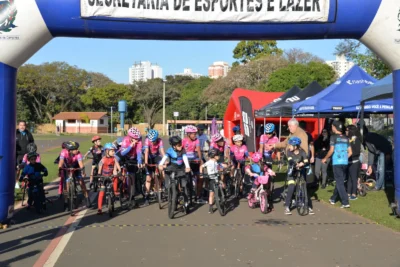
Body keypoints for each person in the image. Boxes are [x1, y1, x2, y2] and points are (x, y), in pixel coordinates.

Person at [322, 120, 352, 208]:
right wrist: (344, 157)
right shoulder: (346, 138)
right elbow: (350, 152)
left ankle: (345, 202)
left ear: (335, 127)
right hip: (345, 162)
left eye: (332, 126)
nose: (331, 128)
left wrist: (325, 158)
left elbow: (331, 150)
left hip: (337, 162)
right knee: (340, 181)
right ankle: (333, 198)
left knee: (339, 182)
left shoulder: (333, 137)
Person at [284, 137, 313, 215]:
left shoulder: (302, 152)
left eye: (290, 145)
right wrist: (295, 164)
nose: (289, 147)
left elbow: (306, 161)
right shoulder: (289, 152)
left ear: (296, 146)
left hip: (300, 169)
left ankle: (308, 206)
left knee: (304, 186)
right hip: (292, 171)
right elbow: (290, 161)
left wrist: (303, 163)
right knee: (292, 186)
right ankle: (287, 206)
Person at [159, 136, 191, 206]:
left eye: (181, 144)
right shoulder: (170, 150)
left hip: (181, 168)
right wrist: (160, 164)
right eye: (179, 145)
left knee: (184, 182)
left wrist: (187, 166)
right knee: (167, 174)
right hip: (172, 167)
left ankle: (184, 196)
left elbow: (185, 158)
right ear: (173, 146)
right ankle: (168, 189)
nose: (181, 146)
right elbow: (165, 157)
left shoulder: (182, 150)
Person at [58, 141, 91, 208]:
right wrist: (60, 170)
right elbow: (61, 162)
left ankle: (87, 198)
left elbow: (81, 164)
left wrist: (83, 172)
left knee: (81, 183)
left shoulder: (78, 154)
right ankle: (66, 201)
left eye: (77, 148)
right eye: (75, 149)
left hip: (76, 167)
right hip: (66, 167)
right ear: (70, 150)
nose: (77, 150)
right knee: (66, 186)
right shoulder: (63, 152)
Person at [362, 125, 393, 191]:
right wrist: (370, 165)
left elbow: (383, 144)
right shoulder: (366, 140)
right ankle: (382, 186)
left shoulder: (371, 137)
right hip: (378, 152)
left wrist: (387, 153)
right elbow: (371, 152)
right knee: (378, 170)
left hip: (383, 151)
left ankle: (378, 186)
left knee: (381, 169)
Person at [120, 127, 143, 208]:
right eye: (135, 139)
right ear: (130, 137)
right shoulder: (126, 140)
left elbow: (139, 152)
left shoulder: (139, 141)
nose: (137, 140)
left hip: (133, 159)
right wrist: (130, 146)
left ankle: (132, 195)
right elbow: (122, 153)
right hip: (124, 157)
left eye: (138, 138)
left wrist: (139, 162)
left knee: (132, 177)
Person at [200, 149, 227, 214]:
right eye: (218, 155)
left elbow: (219, 167)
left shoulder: (216, 162)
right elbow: (201, 166)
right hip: (211, 179)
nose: (219, 156)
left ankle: (223, 196)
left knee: (223, 185)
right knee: (211, 194)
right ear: (214, 156)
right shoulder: (209, 162)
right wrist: (201, 174)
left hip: (217, 177)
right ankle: (210, 207)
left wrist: (223, 168)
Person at [96, 143, 121, 215]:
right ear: (107, 151)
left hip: (111, 176)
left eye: (114, 151)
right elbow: (99, 169)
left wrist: (119, 172)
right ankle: (99, 209)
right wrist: (99, 176)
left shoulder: (114, 159)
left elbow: (118, 167)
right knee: (102, 192)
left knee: (115, 178)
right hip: (104, 177)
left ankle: (115, 192)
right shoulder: (103, 160)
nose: (114, 152)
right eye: (112, 151)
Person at [143, 129, 165, 206]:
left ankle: (160, 186)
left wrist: (165, 160)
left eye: (154, 140)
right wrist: (146, 162)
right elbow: (146, 151)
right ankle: (147, 196)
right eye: (151, 140)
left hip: (156, 156)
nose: (152, 142)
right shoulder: (147, 140)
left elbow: (162, 151)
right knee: (148, 178)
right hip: (149, 157)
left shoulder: (160, 140)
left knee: (162, 170)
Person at [183, 125, 205, 203]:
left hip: (194, 160)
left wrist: (200, 159)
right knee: (183, 178)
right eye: (193, 134)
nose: (195, 135)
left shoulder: (197, 140)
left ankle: (198, 196)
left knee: (200, 178)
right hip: (186, 161)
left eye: (195, 134)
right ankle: (182, 195)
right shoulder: (183, 141)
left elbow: (198, 150)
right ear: (188, 134)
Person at [15, 120, 35, 188]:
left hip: (27, 154)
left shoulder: (28, 133)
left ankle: (25, 183)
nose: (22, 127)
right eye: (21, 125)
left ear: (25, 126)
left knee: (26, 169)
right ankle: (16, 182)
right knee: (18, 169)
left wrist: (32, 152)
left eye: (23, 125)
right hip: (18, 154)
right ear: (18, 125)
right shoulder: (15, 132)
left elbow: (32, 143)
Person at [346, 125, 362, 200]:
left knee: (354, 178)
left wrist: (348, 153)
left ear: (351, 131)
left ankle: (354, 193)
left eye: (347, 130)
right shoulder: (347, 139)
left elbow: (356, 151)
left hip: (354, 161)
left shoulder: (356, 139)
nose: (346, 132)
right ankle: (348, 193)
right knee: (349, 178)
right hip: (348, 161)